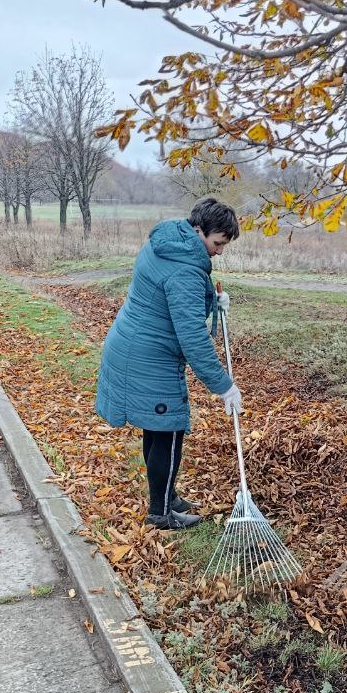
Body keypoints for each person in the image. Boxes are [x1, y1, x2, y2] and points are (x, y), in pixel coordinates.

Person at [96, 197, 243, 530]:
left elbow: (172, 297)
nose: (219, 251)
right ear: (198, 230)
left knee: (157, 428)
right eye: (217, 243)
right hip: (150, 356)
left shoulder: (169, 241)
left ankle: (166, 496)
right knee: (169, 430)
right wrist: (224, 386)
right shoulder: (186, 271)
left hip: (133, 344)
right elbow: (192, 337)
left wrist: (210, 299)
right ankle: (161, 513)